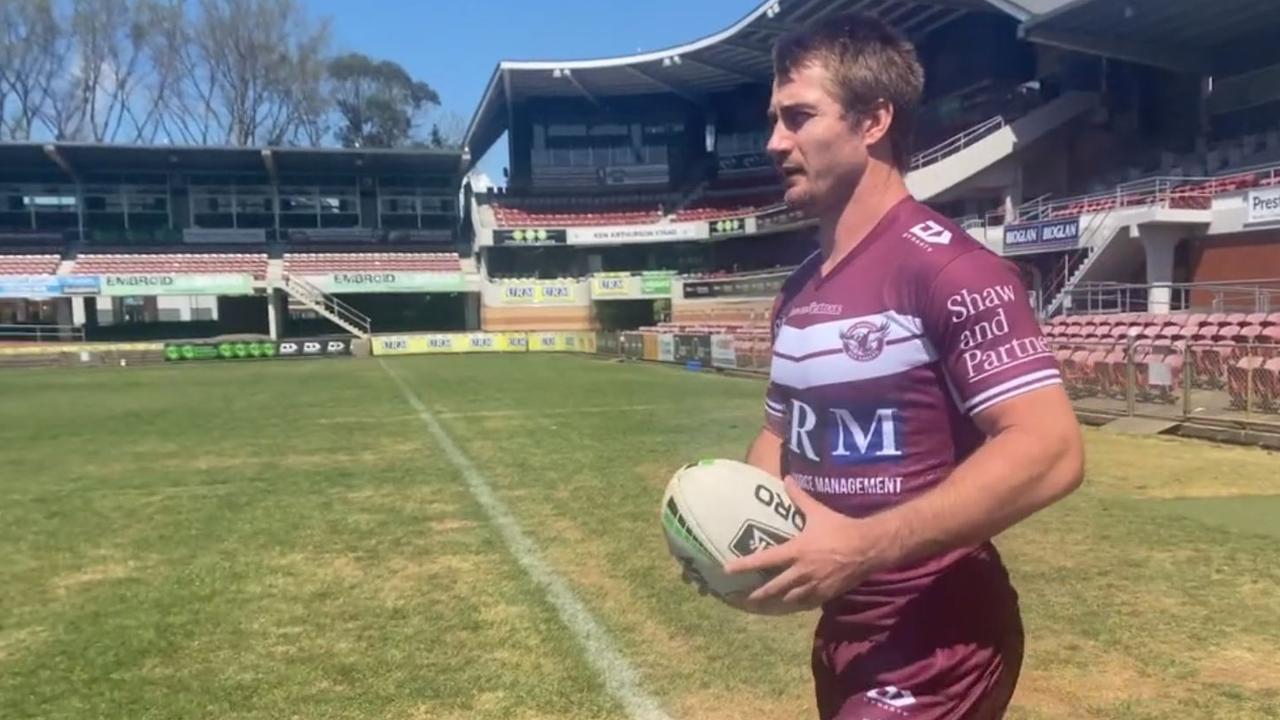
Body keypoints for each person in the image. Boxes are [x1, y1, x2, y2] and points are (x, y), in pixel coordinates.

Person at [722, 13, 1085, 720]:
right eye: (774, 119)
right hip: (847, 631)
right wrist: (728, 531)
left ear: (874, 120)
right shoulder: (798, 292)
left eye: (798, 117)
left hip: (939, 636)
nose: (774, 142)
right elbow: (779, 438)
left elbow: (1052, 449)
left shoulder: (950, 269)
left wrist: (861, 547)